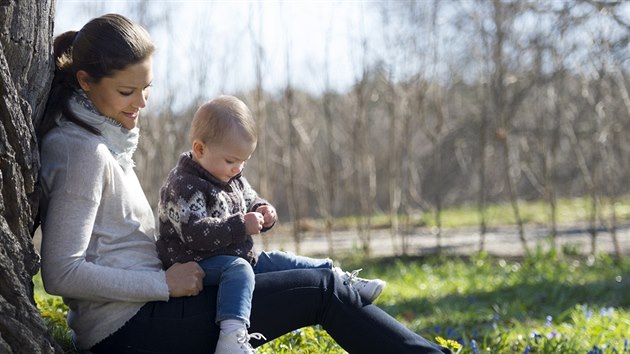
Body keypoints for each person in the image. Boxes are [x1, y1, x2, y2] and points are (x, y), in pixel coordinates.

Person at [37, 13, 451, 354]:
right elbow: (61, 273)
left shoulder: (103, 142)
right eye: (128, 91)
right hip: (129, 330)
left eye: (146, 88)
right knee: (322, 289)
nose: (142, 103)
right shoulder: (82, 154)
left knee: (310, 281)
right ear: (86, 81)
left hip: (150, 310)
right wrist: (162, 283)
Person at [156, 95, 386, 353]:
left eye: (244, 160)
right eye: (232, 160)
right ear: (199, 149)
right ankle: (232, 337)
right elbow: (193, 233)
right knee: (239, 270)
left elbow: (250, 198)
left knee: (282, 260)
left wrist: (262, 210)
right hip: (195, 262)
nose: (238, 168)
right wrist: (240, 225)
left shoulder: (229, 174)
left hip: (234, 254)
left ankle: (340, 279)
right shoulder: (184, 185)